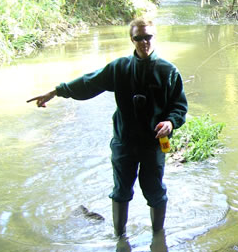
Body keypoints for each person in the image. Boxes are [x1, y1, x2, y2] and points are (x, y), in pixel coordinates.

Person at [28, 18, 188, 237]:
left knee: (155, 191)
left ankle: (158, 239)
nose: (144, 42)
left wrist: (170, 122)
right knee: (121, 191)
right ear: (132, 39)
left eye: (148, 37)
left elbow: (179, 106)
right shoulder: (119, 68)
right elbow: (88, 83)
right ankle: (119, 238)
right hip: (124, 143)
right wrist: (56, 92)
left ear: (154, 37)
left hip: (153, 145)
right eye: (138, 38)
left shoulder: (168, 71)